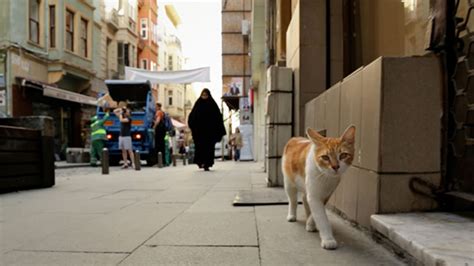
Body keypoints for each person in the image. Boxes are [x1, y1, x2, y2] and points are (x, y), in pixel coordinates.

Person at [188, 89, 226, 171]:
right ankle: (200, 162)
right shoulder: (198, 104)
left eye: (206, 95)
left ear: (208, 95)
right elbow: (192, 117)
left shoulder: (212, 105)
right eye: (203, 95)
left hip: (209, 134)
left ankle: (207, 164)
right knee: (200, 148)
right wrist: (194, 127)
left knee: (208, 149)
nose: (204, 96)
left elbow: (218, 118)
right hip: (200, 133)